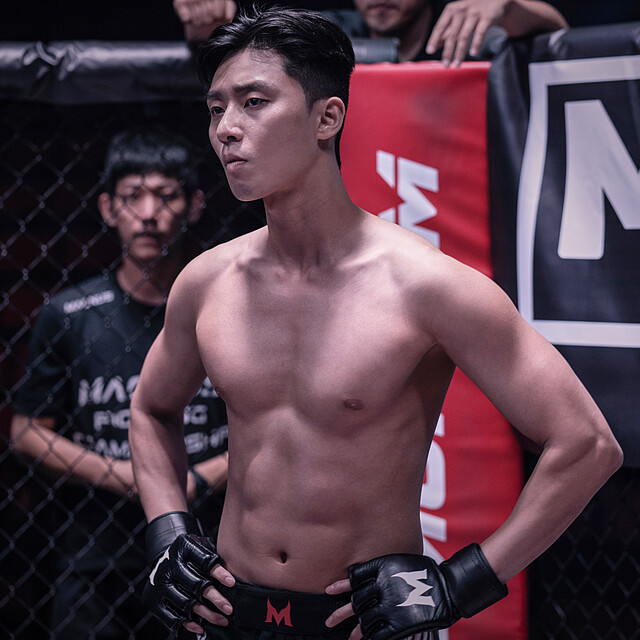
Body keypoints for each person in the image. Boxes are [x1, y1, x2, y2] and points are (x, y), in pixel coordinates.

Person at [129, 7, 622, 640]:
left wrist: (458, 585)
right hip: (228, 615)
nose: (227, 128)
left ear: (327, 118)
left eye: (254, 102)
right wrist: (168, 532)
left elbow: (586, 445)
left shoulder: (427, 286)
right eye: (216, 108)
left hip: (366, 624)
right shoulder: (206, 282)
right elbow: (150, 411)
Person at [10, 126, 229, 640]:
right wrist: (127, 475)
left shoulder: (226, 310)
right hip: (96, 555)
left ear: (195, 205)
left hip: (212, 549)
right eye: (133, 197)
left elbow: (274, 425)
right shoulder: (70, 314)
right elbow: (27, 431)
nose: (149, 213)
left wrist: (200, 477)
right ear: (109, 208)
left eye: (166, 196)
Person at [172, 0, 568, 66]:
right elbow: (239, 42)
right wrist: (206, 22)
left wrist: (507, 6)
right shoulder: (329, 31)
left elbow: (559, 35)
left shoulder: (462, 27)